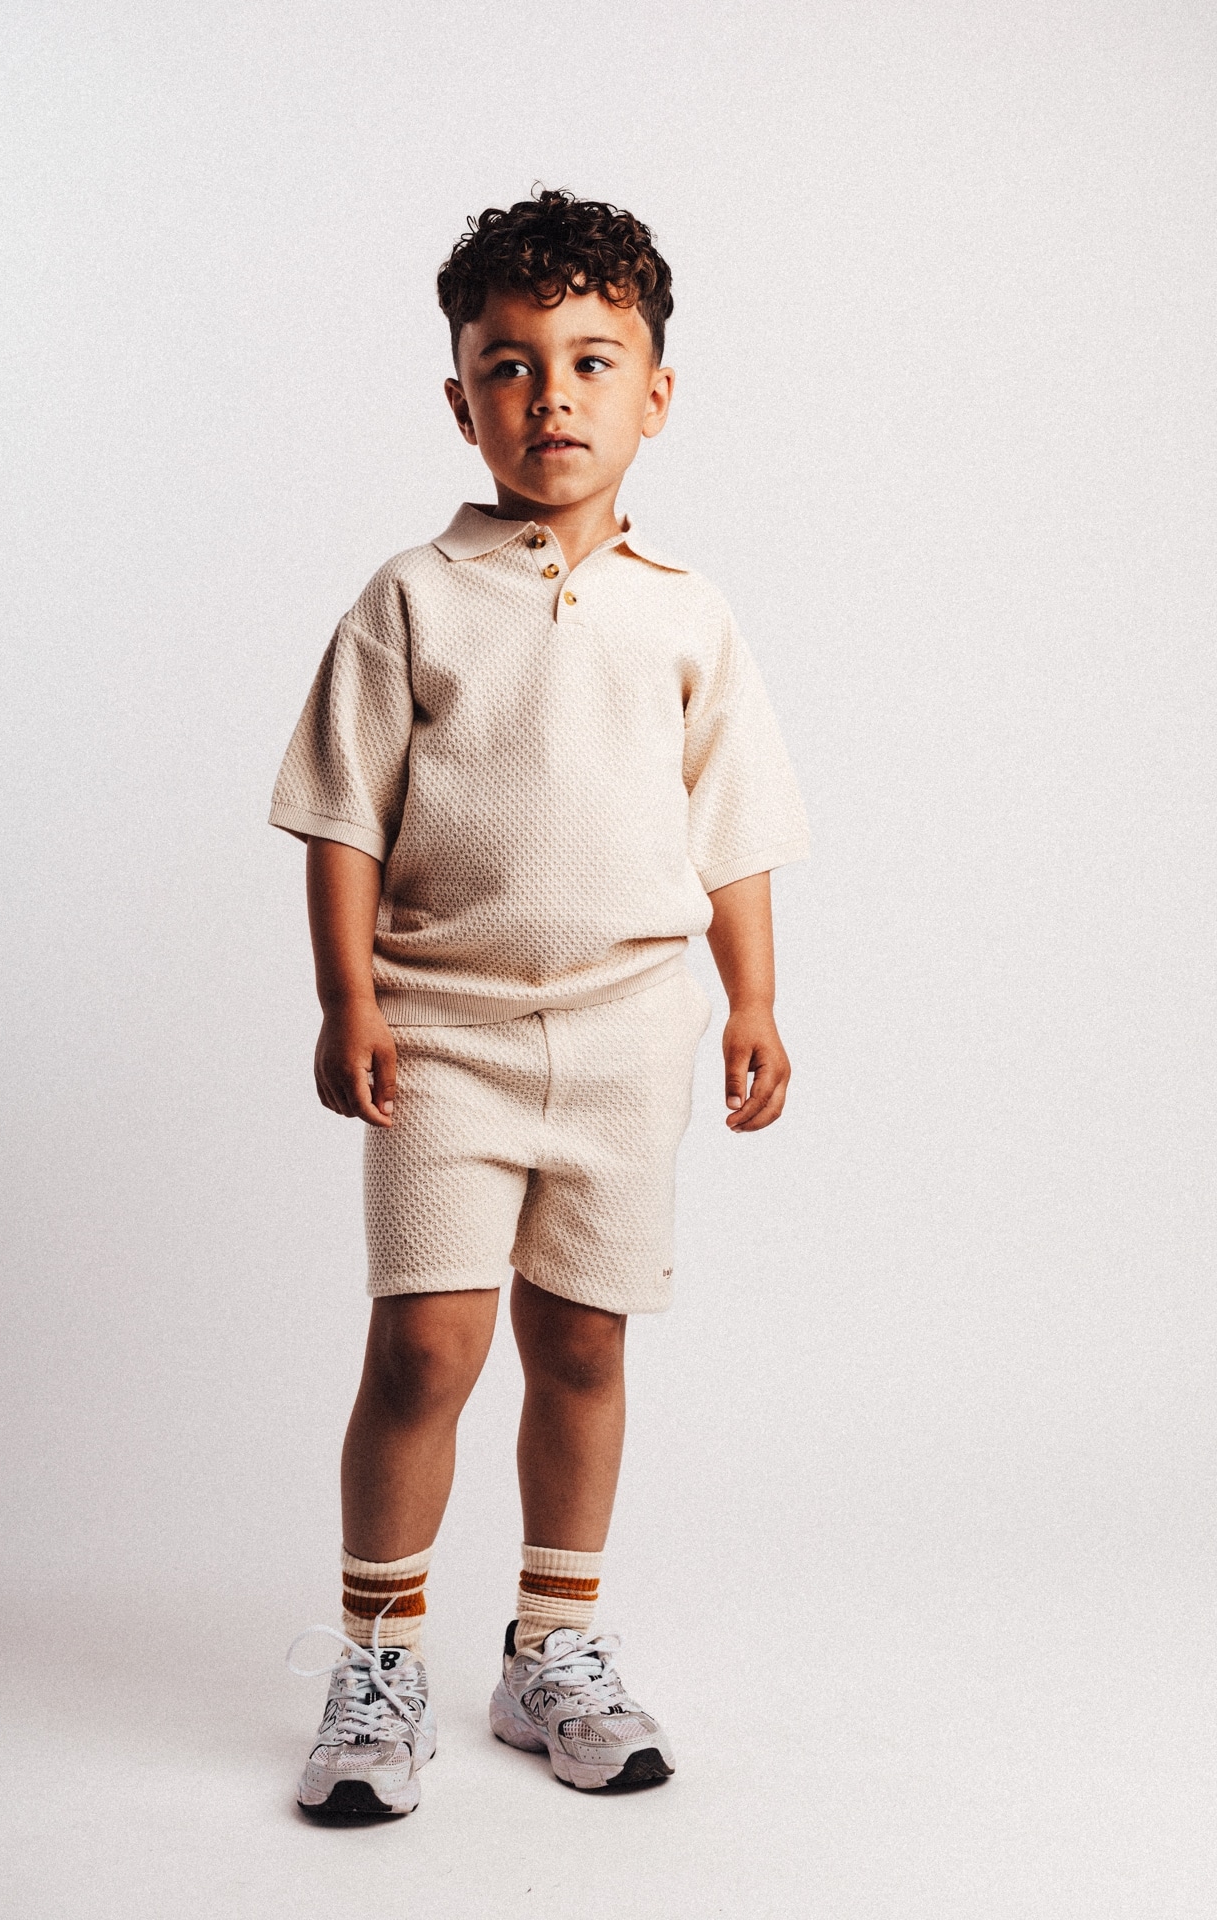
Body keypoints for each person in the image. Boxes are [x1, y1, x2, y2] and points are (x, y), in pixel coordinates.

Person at [271, 188, 809, 1817]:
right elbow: (343, 815)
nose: (550, 397)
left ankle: (551, 1647)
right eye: (509, 366)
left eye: (591, 361)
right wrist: (347, 1000)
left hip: (632, 1036)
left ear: (657, 394)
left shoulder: (688, 611)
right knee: (427, 1345)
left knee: (581, 1340)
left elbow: (732, 825)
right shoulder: (413, 598)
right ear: (462, 401)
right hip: (443, 1033)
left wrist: (753, 1000)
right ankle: (379, 1660)